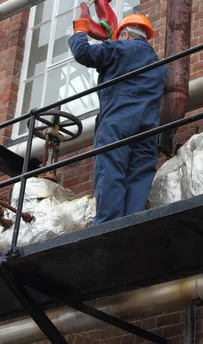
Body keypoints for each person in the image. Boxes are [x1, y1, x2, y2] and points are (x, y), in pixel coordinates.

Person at [69, 14, 167, 224]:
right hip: (148, 126)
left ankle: (108, 224)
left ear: (124, 34)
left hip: (118, 119)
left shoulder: (120, 48)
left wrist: (79, 31)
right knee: (140, 173)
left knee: (111, 166)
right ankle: (131, 224)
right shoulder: (160, 65)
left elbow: (83, 53)